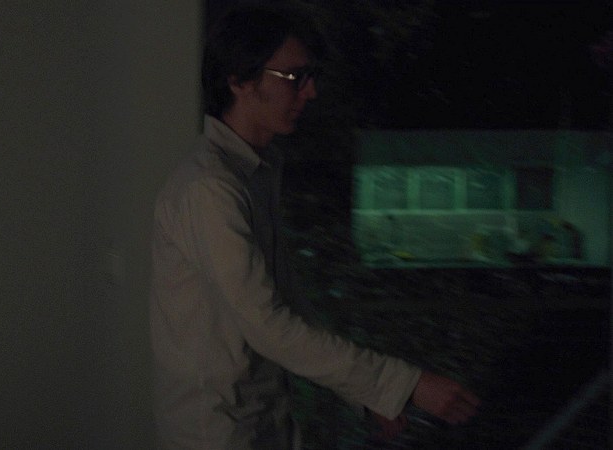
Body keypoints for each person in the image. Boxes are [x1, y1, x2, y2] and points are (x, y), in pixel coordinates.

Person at [149, 3, 480, 449]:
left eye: (310, 76)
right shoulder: (210, 188)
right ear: (240, 80)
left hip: (262, 421)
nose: (311, 92)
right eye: (294, 77)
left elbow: (285, 305)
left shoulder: (254, 172)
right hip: (218, 433)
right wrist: (405, 384)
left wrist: (367, 394)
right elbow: (268, 325)